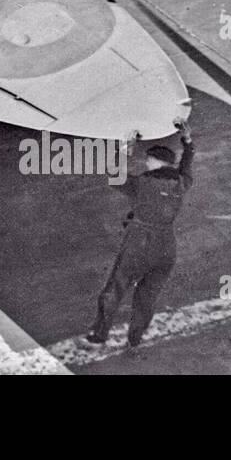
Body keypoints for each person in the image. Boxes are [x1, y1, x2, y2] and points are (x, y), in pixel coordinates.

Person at [86, 122, 195, 347]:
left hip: (140, 243)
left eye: (148, 160)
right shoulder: (181, 183)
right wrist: (188, 142)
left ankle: (99, 334)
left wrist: (125, 149)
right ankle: (135, 338)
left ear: (156, 161)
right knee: (147, 296)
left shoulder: (144, 184)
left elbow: (114, 176)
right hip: (167, 247)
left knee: (116, 287)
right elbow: (186, 166)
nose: (146, 163)